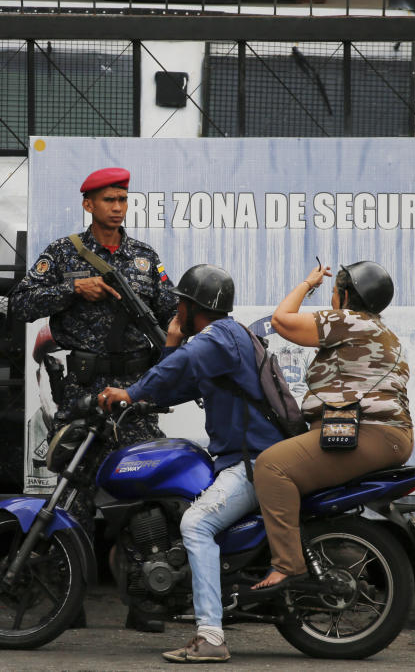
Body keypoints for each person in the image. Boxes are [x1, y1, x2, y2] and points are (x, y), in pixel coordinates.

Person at [100, 264, 293, 664]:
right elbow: (179, 381)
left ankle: (210, 636)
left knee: (196, 523)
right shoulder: (224, 340)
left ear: (193, 306)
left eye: (180, 305)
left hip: (254, 462)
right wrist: (168, 348)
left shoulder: (218, 337)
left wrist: (129, 393)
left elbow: (179, 366)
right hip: (246, 459)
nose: (176, 311)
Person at [252, 261, 414, 592]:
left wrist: (306, 284)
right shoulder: (381, 331)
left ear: (343, 295)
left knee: (271, 466)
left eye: (333, 292)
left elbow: (282, 321)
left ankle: (288, 566)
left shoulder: (350, 322)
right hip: (385, 435)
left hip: (370, 433)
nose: (331, 298)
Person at [9, 166, 178, 448]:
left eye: (122, 199)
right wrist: (73, 289)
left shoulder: (145, 257)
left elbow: (171, 312)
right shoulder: (63, 252)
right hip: (83, 388)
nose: (118, 207)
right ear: (88, 204)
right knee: (77, 473)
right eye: (109, 200)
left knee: (139, 469)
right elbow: (20, 304)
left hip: (133, 388)